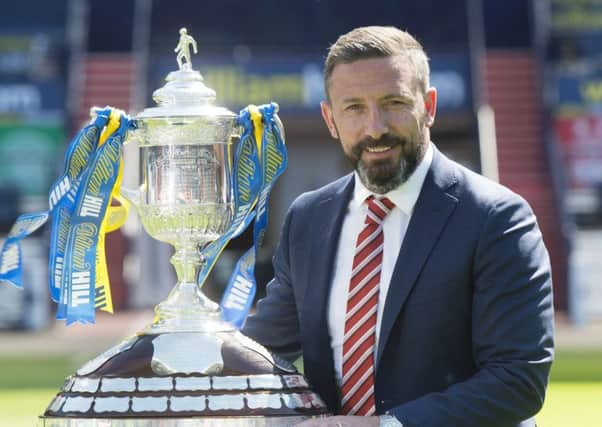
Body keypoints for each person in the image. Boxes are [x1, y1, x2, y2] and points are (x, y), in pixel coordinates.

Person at [243, 26, 554, 427]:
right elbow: (261, 352)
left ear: (429, 106)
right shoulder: (308, 218)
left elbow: (517, 381)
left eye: (394, 103)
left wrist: (385, 426)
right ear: (329, 118)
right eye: (353, 107)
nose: (375, 127)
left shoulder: (497, 218)